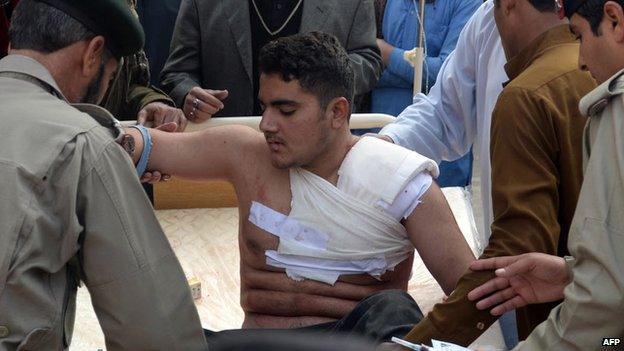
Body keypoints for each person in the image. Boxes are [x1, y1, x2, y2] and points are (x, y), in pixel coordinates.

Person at [126, 32, 475, 339]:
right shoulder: (243, 154)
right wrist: (121, 135)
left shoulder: (403, 184)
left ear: (337, 112)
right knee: (153, 334)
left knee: (395, 309)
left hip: (358, 344)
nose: (266, 124)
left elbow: (473, 299)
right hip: (258, 344)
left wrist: (417, 343)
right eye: (265, 108)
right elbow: (146, 146)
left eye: (286, 110)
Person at [380, 0, 597, 347]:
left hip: (561, 316)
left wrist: (418, 342)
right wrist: (381, 146)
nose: (584, 57)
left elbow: (517, 251)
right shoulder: (490, 27)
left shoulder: (526, 93)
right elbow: (442, 113)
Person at [0, 0, 206, 349]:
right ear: (93, 53)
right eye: (110, 78)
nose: (108, 87)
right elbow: (156, 332)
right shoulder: (82, 143)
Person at [468, 1, 624, 348]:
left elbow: (604, 304)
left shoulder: (614, 108)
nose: (581, 60)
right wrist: (572, 273)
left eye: (579, 35)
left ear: (614, 21)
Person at [376, 0, 507, 243]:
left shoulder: (586, 26)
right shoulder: (489, 18)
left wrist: (388, 55)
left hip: (575, 258)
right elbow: (444, 112)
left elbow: (434, 73)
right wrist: (386, 141)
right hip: (505, 244)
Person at [160, 0, 382, 121]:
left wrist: (322, 76)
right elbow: (178, 73)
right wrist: (189, 95)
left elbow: (368, 61)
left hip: (315, 157)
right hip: (226, 152)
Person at [372, 0, 481, 188]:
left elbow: (450, 78)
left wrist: (388, 55)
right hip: (380, 147)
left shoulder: (469, 3)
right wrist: (413, 70)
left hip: (440, 167)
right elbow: (363, 66)